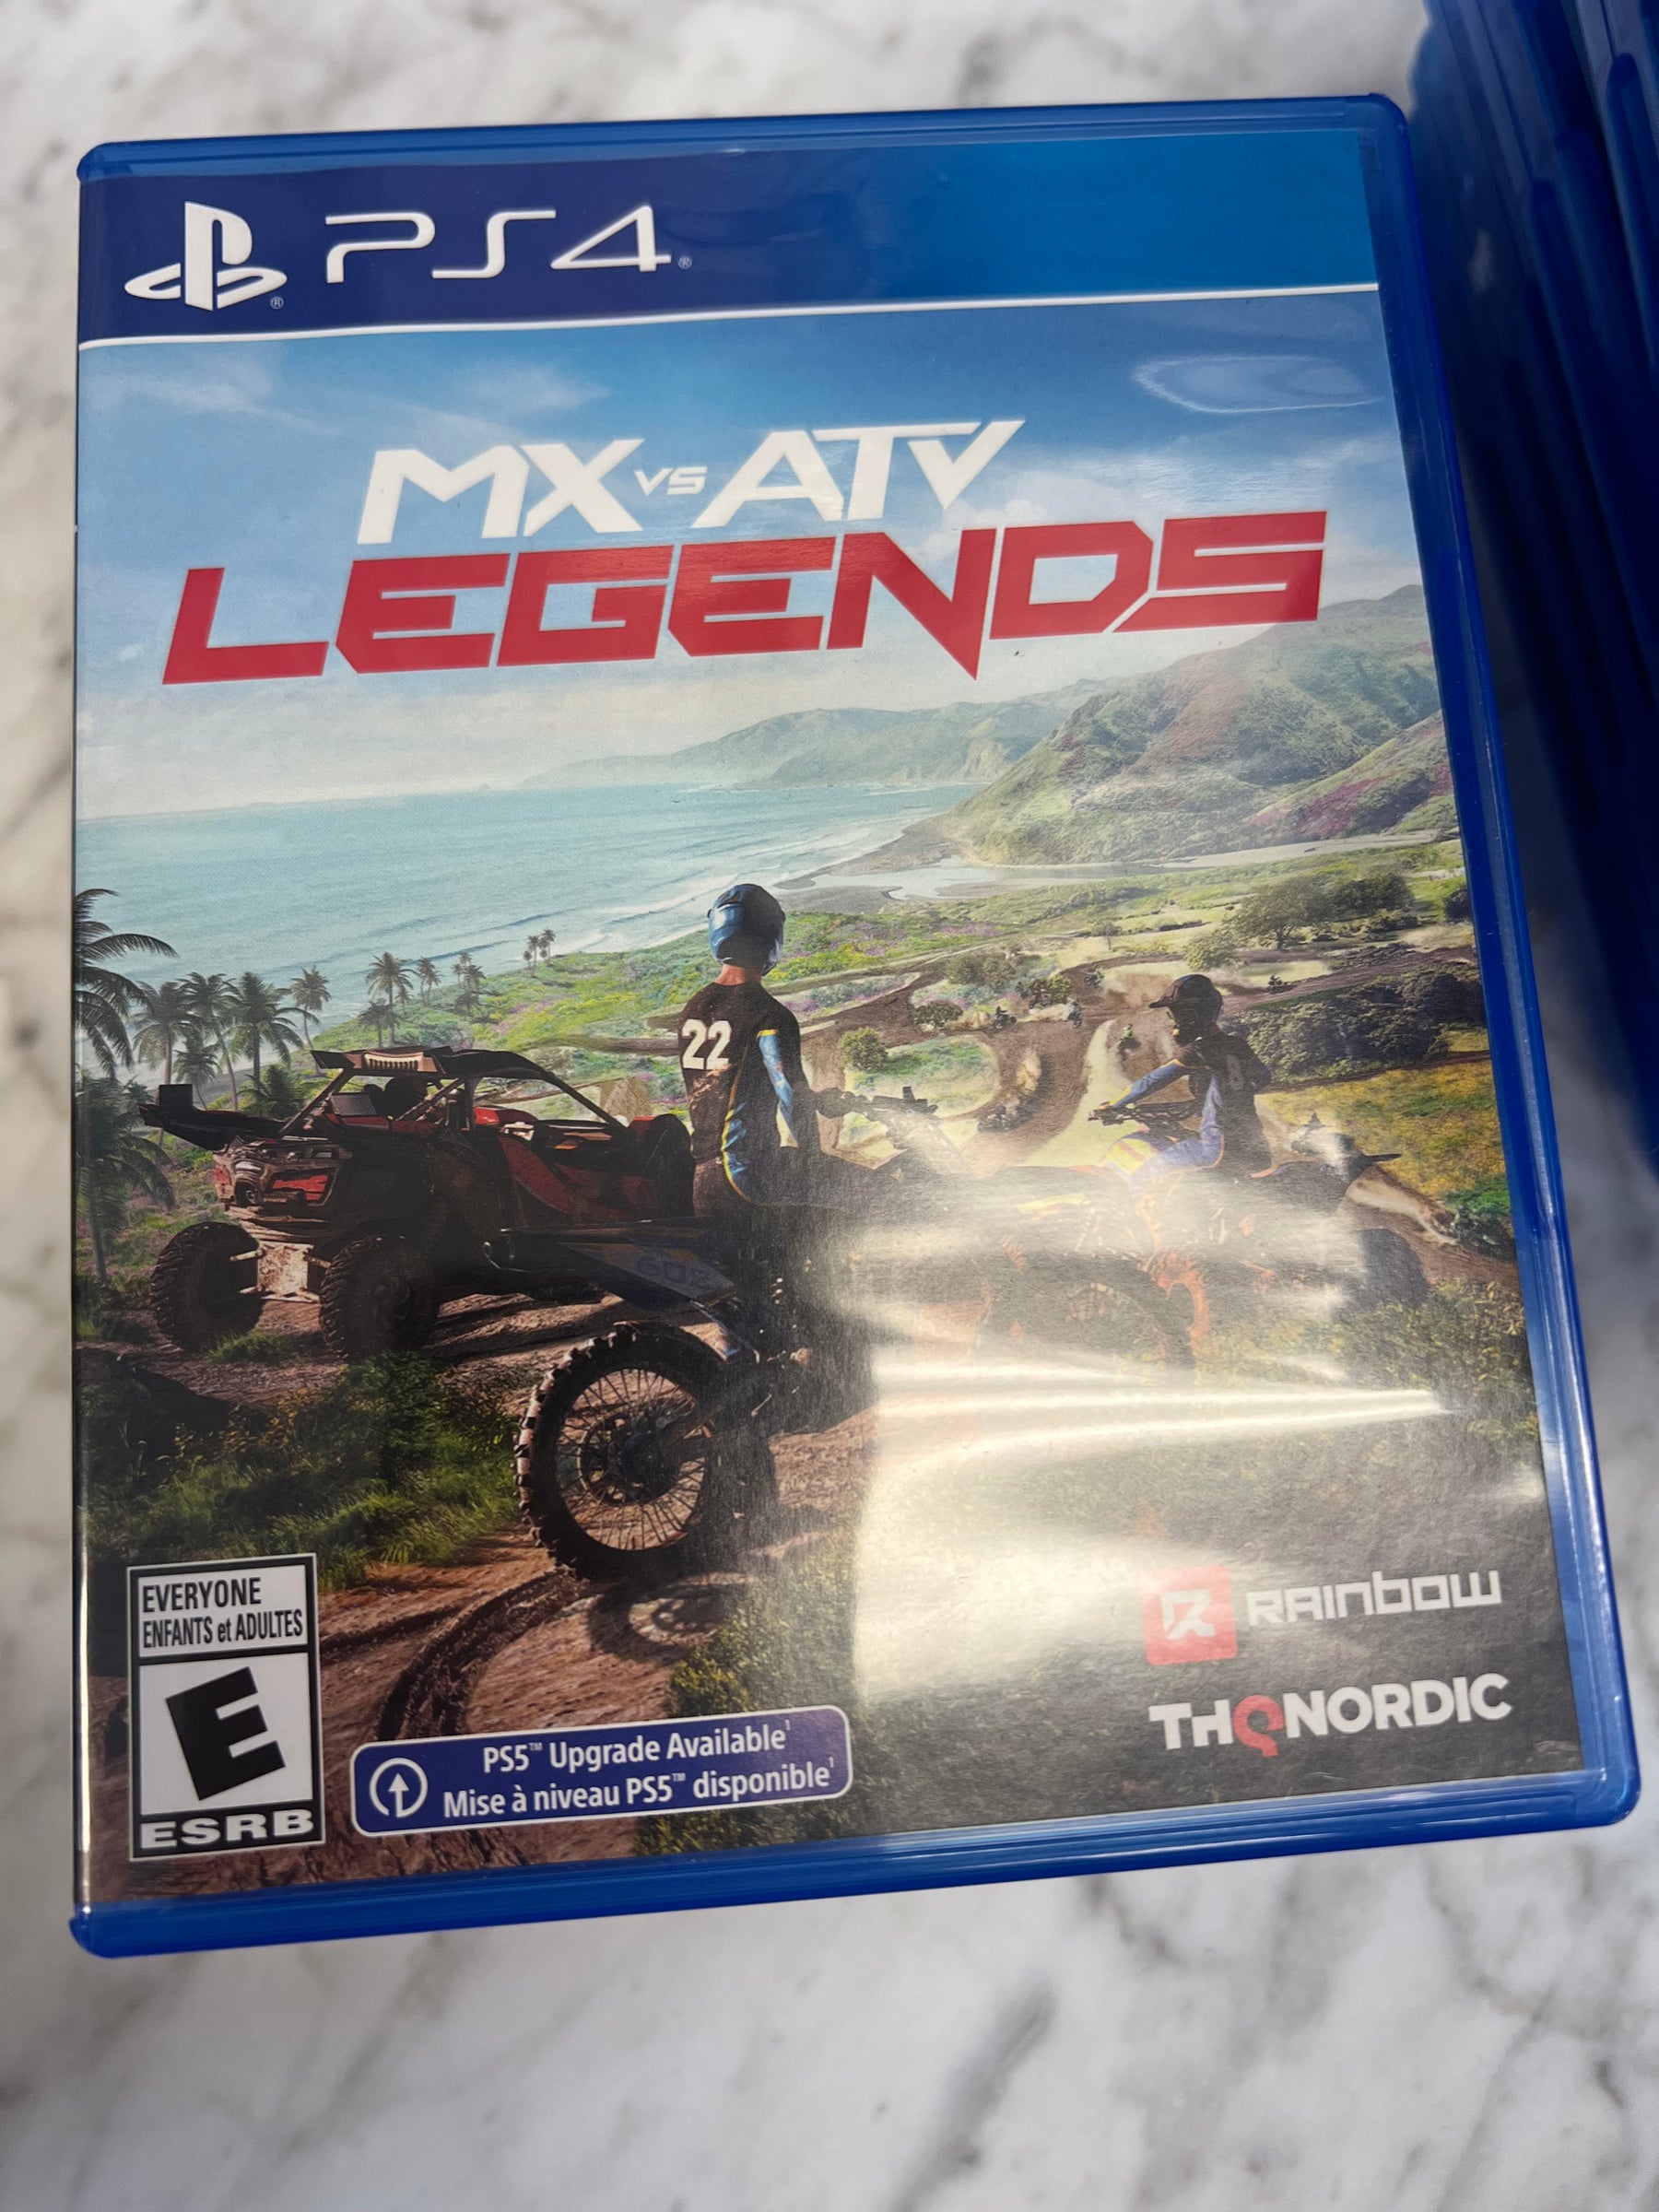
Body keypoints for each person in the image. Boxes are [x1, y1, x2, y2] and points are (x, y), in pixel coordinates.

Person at [678, 881, 866, 1219]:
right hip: (750, 1177)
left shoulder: (694, 1008)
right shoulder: (769, 1015)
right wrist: (813, 1158)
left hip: (704, 1182)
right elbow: (790, 1093)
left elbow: (728, 1085)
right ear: (771, 937)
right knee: (875, 1190)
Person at [1093, 972, 1273, 1182]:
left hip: (1216, 1150)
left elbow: (1151, 1082)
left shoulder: (1197, 1051)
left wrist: (1112, 1105)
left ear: (1193, 1015)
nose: (1174, 1021)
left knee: (1142, 1172)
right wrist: (1220, 1098)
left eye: (1177, 1014)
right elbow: (1262, 1078)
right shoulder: (1238, 1045)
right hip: (1255, 1146)